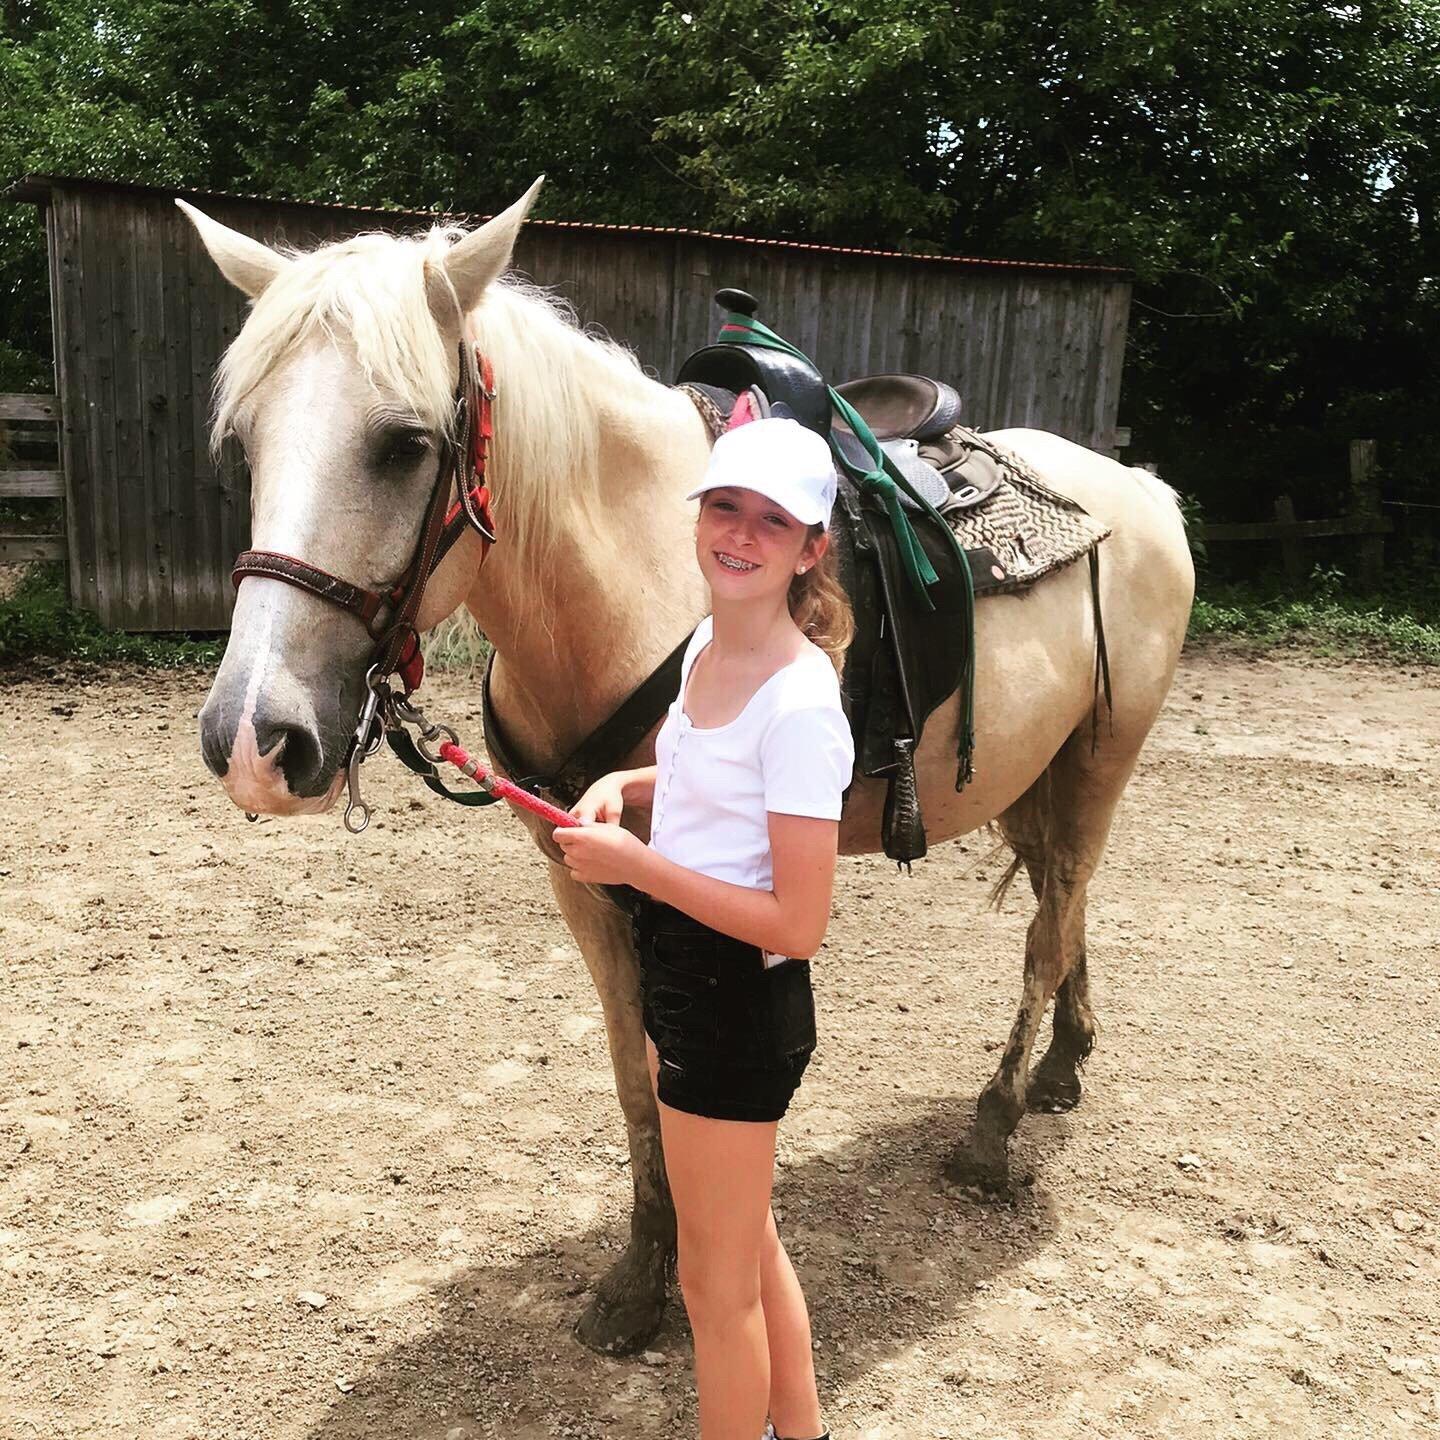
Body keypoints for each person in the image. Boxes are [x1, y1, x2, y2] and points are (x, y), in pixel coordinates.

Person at [552, 415, 855, 1440]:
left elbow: (800, 922)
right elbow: (696, 774)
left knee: (712, 1294)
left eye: (772, 520)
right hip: (680, 979)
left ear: (811, 548)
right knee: (750, 1245)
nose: (739, 533)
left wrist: (638, 866)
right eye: (724, 505)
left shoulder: (801, 706)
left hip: (739, 1007)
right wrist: (620, 781)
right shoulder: (702, 650)